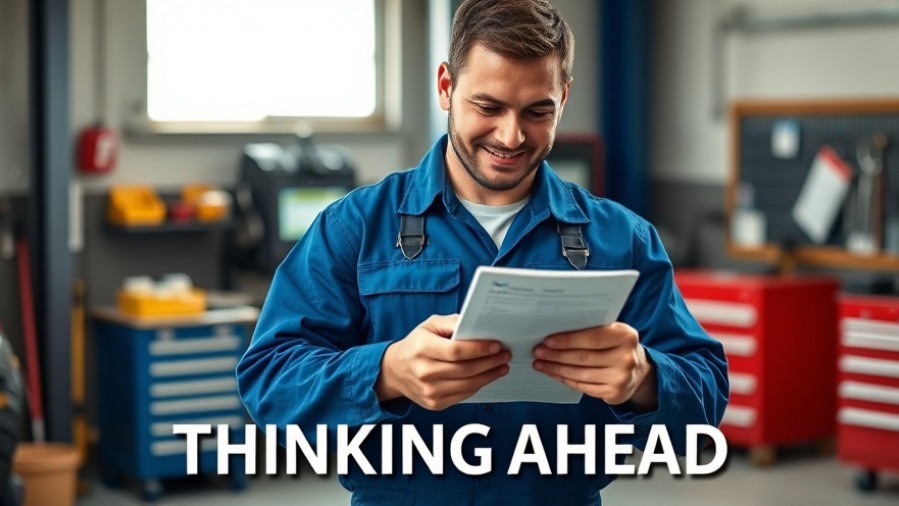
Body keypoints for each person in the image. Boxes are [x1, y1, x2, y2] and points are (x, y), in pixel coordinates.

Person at [236, 0, 728, 504]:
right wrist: (386, 371)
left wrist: (644, 378)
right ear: (446, 87)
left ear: (564, 98)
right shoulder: (355, 228)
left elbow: (707, 391)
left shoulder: (623, 240)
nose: (511, 136)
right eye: (489, 107)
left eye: (538, 111)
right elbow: (269, 379)